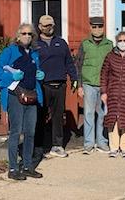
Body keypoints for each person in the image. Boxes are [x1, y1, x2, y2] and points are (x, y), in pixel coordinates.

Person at [0, 23, 45, 181]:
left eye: (30, 34)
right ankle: (13, 168)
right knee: (16, 132)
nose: (27, 36)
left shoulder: (34, 54)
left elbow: (35, 73)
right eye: (24, 33)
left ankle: (28, 166)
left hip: (32, 96)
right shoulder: (9, 52)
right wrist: (10, 77)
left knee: (30, 132)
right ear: (17, 36)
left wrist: (39, 76)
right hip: (15, 96)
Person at [37, 15, 78, 158]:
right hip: (42, 85)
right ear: (40, 26)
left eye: (51, 25)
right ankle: (39, 147)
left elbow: (69, 62)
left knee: (58, 117)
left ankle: (57, 145)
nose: (49, 28)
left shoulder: (61, 43)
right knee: (40, 116)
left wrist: (74, 78)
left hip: (60, 84)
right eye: (46, 25)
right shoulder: (35, 44)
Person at [76, 17, 113, 154]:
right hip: (88, 83)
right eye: (94, 27)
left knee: (102, 113)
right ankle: (89, 143)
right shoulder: (85, 44)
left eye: (100, 27)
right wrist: (79, 85)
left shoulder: (109, 45)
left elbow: (112, 65)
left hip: (104, 85)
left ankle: (102, 141)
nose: (97, 29)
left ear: (103, 28)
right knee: (88, 113)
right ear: (90, 28)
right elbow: (78, 65)